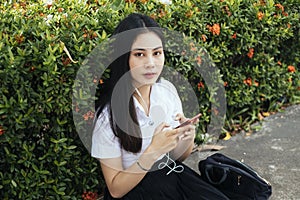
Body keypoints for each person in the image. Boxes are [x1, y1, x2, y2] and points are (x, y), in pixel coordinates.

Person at [91, 13, 229, 200]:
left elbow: (176, 158)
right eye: (140, 54)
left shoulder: (166, 92)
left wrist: (187, 139)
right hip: (133, 193)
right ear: (123, 57)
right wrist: (152, 151)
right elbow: (116, 189)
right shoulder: (109, 116)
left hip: (168, 178)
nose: (151, 63)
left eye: (157, 53)